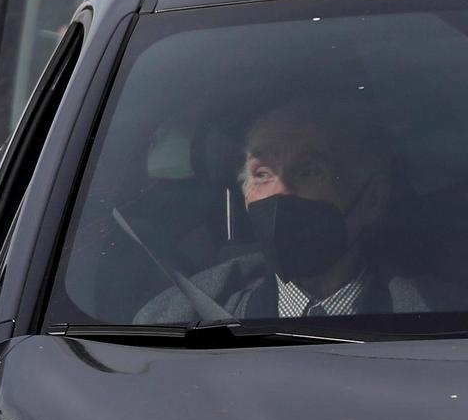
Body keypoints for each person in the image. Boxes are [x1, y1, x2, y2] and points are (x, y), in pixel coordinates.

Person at [135, 100, 461, 323]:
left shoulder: (443, 318)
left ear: (373, 198)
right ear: (245, 195)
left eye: (309, 170)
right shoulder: (176, 318)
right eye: (262, 173)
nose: (281, 192)